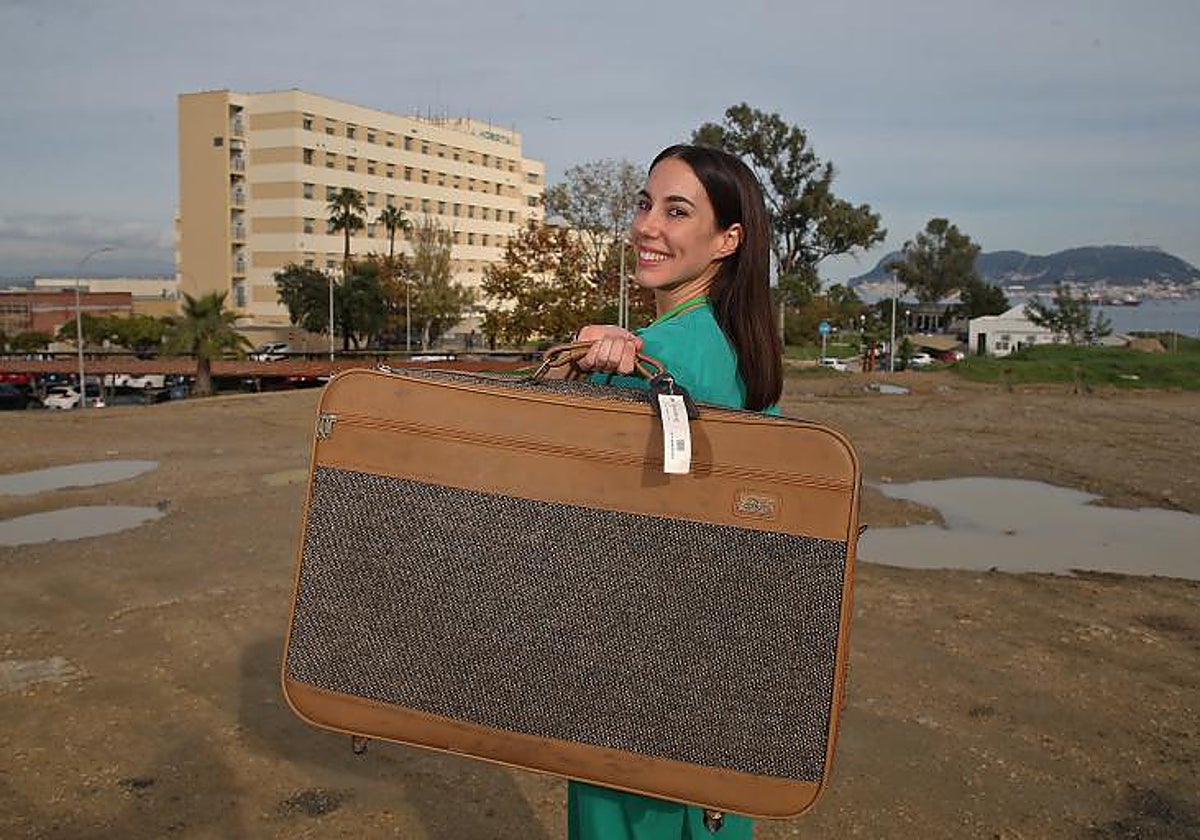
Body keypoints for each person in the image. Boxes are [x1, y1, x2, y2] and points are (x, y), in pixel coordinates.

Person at [566, 144, 783, 839]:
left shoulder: (661, 356)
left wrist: (580, 372)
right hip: (721, 660)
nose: (647, 226)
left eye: (676, 211)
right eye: (645, 204)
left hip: (635, 661)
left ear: (728, 239)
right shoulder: (739, 345)